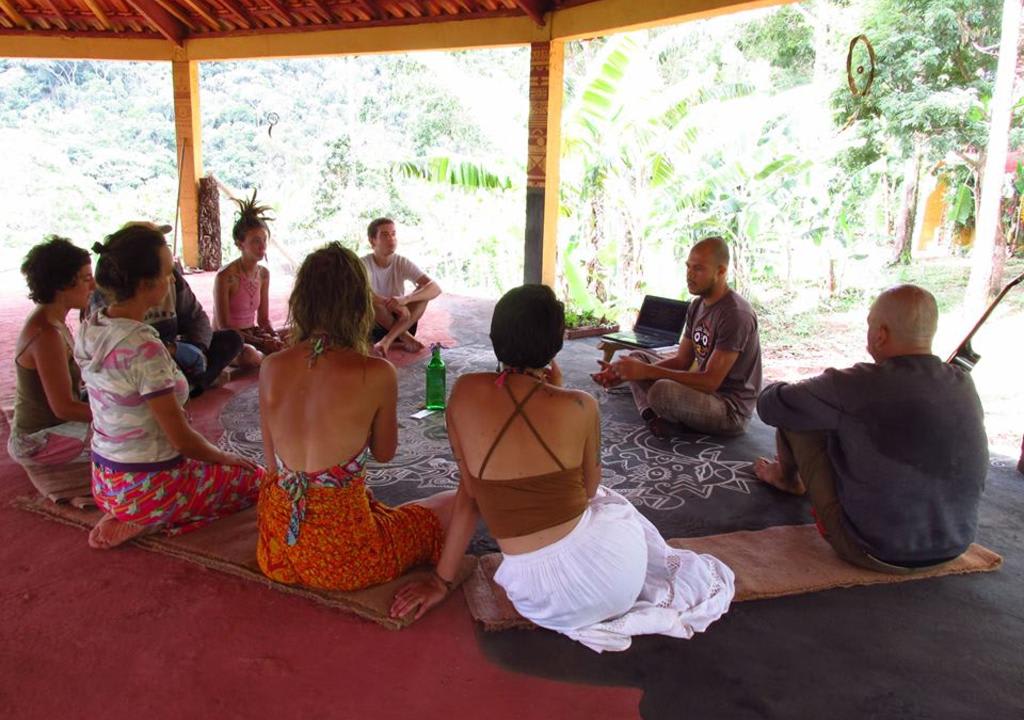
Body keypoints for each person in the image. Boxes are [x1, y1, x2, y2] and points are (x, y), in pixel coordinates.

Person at [390, 285, 734, 652]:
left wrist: (441, 581)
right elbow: (587, 490)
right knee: (610, 502)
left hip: (538, 601)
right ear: (557, 347)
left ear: (494, 338)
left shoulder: (464, 393)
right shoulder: (581, 406)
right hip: (615, 584)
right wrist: (557, 391)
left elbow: (469, 496)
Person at [256, 242, 456, 591]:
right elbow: (384, 452)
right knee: (452, 502)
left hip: (276, 548)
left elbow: (273, 466)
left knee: (366, 504)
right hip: (344, 559)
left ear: (302, 301)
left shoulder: (271, 366)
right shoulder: (376, 373)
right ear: (359, 303)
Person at [754, 284, 988, 572]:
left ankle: (785, 477)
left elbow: (770, 405)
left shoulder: (853, 384)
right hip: (955, 545)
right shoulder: (963, 383)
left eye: (870, 325)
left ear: (881, 334)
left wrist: (796, 392)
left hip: (870, 549)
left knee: (800, 416)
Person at [75, 223, 261, 550]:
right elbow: (182, 440)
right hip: (147, 487)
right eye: (167, 272)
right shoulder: (143, 347)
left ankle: (131, 511)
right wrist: (224, 458)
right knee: (257, 479)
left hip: (106, 481)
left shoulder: (94, 326)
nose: (172, 279)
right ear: (147, 284)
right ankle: (150, 518)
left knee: (214, 464)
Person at [593, 236, 762, 438]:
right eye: (688, 267)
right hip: (699, 392)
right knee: (636, 356)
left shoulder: (735, 314)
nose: (689, 275)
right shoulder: (697, 306)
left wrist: (645, 372)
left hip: (727, 408)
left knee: (661, 391)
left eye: (698, 269)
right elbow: (682, 361)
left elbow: (710, 382)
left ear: (721, 271)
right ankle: (653, 416)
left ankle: (661, 415)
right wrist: (627, 371)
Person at [89, 223, 243, 397]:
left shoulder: (172, 281)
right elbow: (107, 355)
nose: (170, 278)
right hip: (136, 366)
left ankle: (188, 383)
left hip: (172, 356)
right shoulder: (107, 293)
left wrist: (196, 349)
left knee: (230, 340)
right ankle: (189, 386)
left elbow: (197, 318)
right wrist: (166, 351)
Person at [9, 237, 94, 471]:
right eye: (86, 279)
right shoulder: (46, 334)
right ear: (62, 284)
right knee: (134, 432)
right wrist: (119, 415)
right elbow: (64, 408)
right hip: (36, 441)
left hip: (55, 427)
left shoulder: (53, 322)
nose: (93, 286)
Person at [213, 191, 285, 367]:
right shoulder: (225, 277)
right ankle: (268, 359)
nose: (262, 247)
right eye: (255, 241)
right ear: (240, 244)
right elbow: (224, 327)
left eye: (264, 241)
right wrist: (261, 343)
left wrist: (273, 337)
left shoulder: (263, 274)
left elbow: (263, 320)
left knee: (291, 334)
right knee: (249, 355)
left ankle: (270, 356)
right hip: (229, 339)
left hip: (251, 333)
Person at [361, 217, 441, 358]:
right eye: (385, 235)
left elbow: (435, 288)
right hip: (376, 327)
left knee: (423, 295)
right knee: (371, 301)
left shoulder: (401, 262)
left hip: (404, 322)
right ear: (372, 240)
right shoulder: (363, 264)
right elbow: (357, 293)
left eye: (393, 234)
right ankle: (403, 338)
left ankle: (388, 340)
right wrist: (391, 303)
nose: (391, 239)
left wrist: (405, 299)